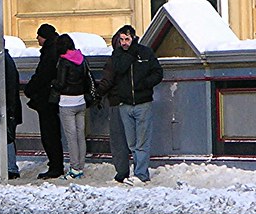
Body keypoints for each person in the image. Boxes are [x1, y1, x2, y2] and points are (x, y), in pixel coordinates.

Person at [97, 24, 163, 185]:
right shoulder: (117, 56)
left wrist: (145, 84)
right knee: (132, 142)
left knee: (141, 141)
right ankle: (138, 172)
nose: (124, 42)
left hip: (142, 101)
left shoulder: (144, 53)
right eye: (121, 39)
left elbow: (157, 73)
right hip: (125, 103)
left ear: (133, 38)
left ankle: (141, 174)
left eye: (127, 39)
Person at [24, 23, 64, 179]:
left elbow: (42, 75)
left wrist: (29, 89)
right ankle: (55, 164)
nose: (37, 39)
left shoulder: (50, 52)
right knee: (52, 133)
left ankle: (55, 165)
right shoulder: (57, 48)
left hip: (48, 99)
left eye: (38, 36)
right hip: (54, 98)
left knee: (49, 134)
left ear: (44, 36)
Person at [52, 33, 93, 179]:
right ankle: (80, 167)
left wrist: (53, 84)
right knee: (80, 136)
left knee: (71, 138)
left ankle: (74, 169)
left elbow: (61, 83)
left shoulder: (63, 61)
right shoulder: (81, 58)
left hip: (67, 103)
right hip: (81, 101)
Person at [0, 36, 22, 179]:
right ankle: (9, 167)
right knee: (7, 136)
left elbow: (7, 86)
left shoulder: (2, 61)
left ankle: (11, 168)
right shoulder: (6, 59)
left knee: (7, 137)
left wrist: (8, 109)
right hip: (10, 107)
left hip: (8, 107)